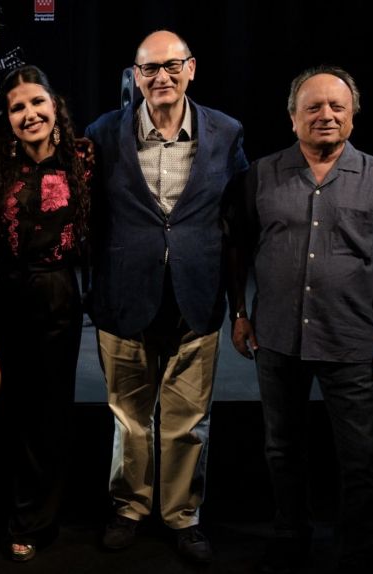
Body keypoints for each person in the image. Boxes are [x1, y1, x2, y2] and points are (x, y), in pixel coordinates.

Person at [227, 66, 373, 574]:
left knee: (360, 456)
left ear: (353, 115)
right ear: (292, 118)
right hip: (276, 339)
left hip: (350, 341)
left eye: (337, 106)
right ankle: (290, 535)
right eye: (313, 107)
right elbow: (238, 250)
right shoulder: (260, 175)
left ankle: (357, 550)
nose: (326, 115)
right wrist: (240, 313)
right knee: (282, 449)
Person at [83, 30, 247, 563]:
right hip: (124, 298)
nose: (161, 77)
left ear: (190, 69)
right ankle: (129, 507)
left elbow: (237, 221)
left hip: (196, 296)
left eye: (171, 66)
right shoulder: (103, 134)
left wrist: (240, 305)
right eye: (149, 69)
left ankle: (183, 515)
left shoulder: (226, 132)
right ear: (135, 76)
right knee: (129, 417)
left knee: (188, 419)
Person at [0, 65, 90, 562]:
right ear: (7, 117)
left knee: (48, 412)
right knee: (5, 406)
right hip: (2, 296)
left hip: (55, 294)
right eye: (17, 107)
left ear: (54, 105)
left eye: (36, 102)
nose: (29, 114)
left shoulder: (84, 157)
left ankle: (34, 519)